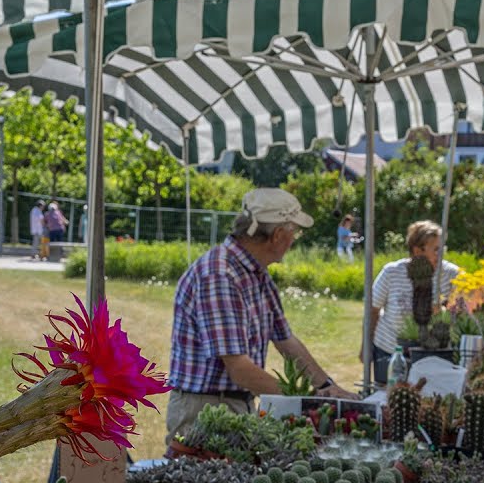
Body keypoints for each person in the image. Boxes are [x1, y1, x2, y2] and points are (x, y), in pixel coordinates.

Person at [166, 188, 356, 446]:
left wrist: (328, 388)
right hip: (203, 410)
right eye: (294, 232)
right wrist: (307, 400)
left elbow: (286, 341)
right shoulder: (220, 275)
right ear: (278, 235)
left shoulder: (257, 273)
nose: (294, 240)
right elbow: (240, 369)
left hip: (234, 403)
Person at [362, 220, 462, 384]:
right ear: (417, 250)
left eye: (442, 249)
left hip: (433, 354)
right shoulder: (392, 272)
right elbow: (372, 310)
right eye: (436, 249)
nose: (441, 255)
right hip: (389, 350)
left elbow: (462, 311)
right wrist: (366, 347)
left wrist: (443, 310)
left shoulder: (451, 274)